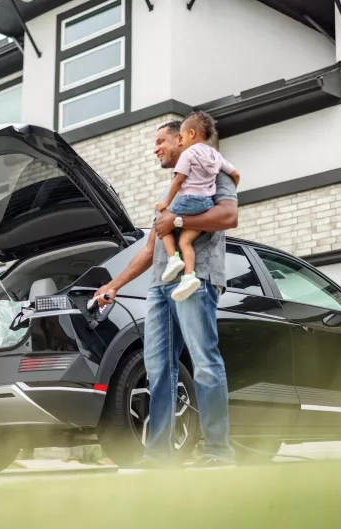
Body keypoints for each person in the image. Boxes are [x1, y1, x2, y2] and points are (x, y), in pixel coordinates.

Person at [94, 120, 238, 469]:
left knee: (204, 362)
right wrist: (114, 284)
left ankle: (219, 451)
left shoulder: (211, 169)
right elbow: (149, 249)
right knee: (159, 369)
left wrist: (174, 223)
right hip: (159, 289)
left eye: (161, 141)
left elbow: (228, 215)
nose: (156, 147)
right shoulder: (169, 194)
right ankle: (158, 455)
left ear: (182, 139)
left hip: (196, 278)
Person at [155, 111, 240, 301]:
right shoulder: (215, 155)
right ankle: (188, 276)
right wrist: (234, 187)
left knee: (164, 223)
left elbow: (178, 180)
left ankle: (174, 259)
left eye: (181, 137)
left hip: (188, 200)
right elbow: (235, 174)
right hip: (205, 204)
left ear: (191, 134)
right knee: (185, 241)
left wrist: (166, 203)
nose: (180, 141)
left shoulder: (189, 153)